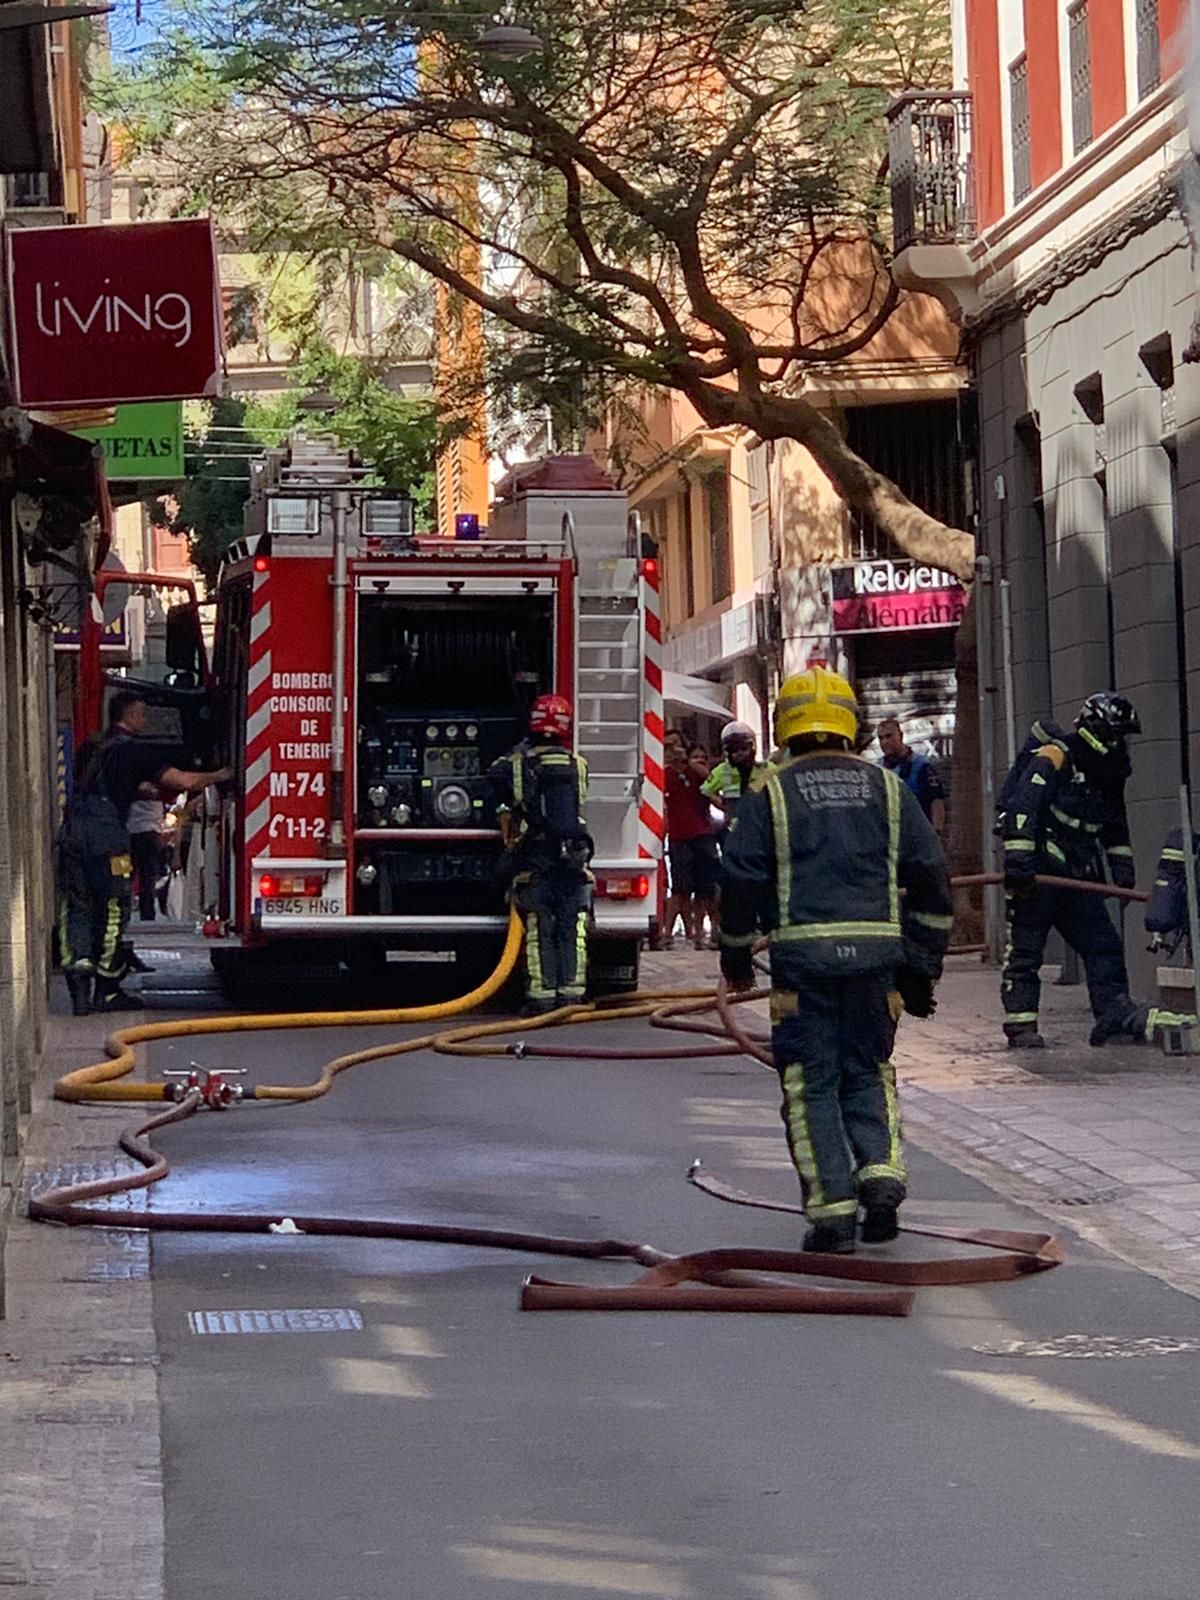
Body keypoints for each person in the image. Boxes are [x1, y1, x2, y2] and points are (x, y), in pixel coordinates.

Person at [719, 666, 952, 1253]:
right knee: (869, 1071)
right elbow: (931, 880)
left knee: (810, 1083)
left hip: (803, 967)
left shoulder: (766, 793)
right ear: (850, 725)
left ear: (786, 727)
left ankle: (832, 1215)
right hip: (877, 963)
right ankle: (881, 1180)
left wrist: (736, 959)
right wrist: (922, 967)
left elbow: (741, 880)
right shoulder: (889, 790)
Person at [58, 691, 231, 1016]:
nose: (145, 720)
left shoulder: (91, 747)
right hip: (110, 840)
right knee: (114, 907)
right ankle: (106, 990)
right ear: (132, 715)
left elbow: (93, 784)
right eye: (142, 714)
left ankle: (78, 988)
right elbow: (183, 780)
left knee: (76, 906)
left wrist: (137, 788)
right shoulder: (137, 752)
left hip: (73, 834)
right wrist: (220, 775)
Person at [999, 692, 1150, 1049]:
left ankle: (1112, 1017)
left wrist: (1122, 869)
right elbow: (1024, 807)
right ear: (1100, 731)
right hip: (1038, 875)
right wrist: (1019, 863)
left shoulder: (1108, 774)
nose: (1123, 743)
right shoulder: (1056, 756)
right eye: (1119, 734)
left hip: (1079, 876)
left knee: (1104, 947)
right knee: (1026, 953)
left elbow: (1114, 825)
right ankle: (1021, 1027)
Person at [488, 694, 593, 1015]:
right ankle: (572, 996)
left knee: (539, 928)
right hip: (573, 859)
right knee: (572, 928)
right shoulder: (579, 765)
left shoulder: (516, 765)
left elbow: (493, 783)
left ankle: (541, 998)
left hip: (535, 859)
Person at [663, 740, 718, 949]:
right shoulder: (667, 774)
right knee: (680, 889)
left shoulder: (696, 773)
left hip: (702, 835)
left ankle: (704, 932)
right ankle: (673, 932)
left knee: (706, 889)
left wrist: (693, 763)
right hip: (679, 837)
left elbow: (711, 781)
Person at [877, 717, 947, 840]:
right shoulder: (877, 768)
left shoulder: (921, 765)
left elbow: (936, 800)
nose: (884, 742)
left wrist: (937, 832)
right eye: (881, 738)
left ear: (901, 736)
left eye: (889, 736)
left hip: (918, 835)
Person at [702, 720, 774, 828]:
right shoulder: (722, 770)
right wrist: (722, 803)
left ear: (752, 748)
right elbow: (705, 790)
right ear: (727, 752)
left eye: (744, 748)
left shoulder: (766, 768)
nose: (739, 753)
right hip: (734, 826)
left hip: (762, 822)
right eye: (734, 750)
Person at [127, 794, 166, 923]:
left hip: (130, 831)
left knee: (127, 876)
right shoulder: (159, 784)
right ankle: (147, 914)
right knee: (148, 877)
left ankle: (125, 911)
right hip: (150, 831)